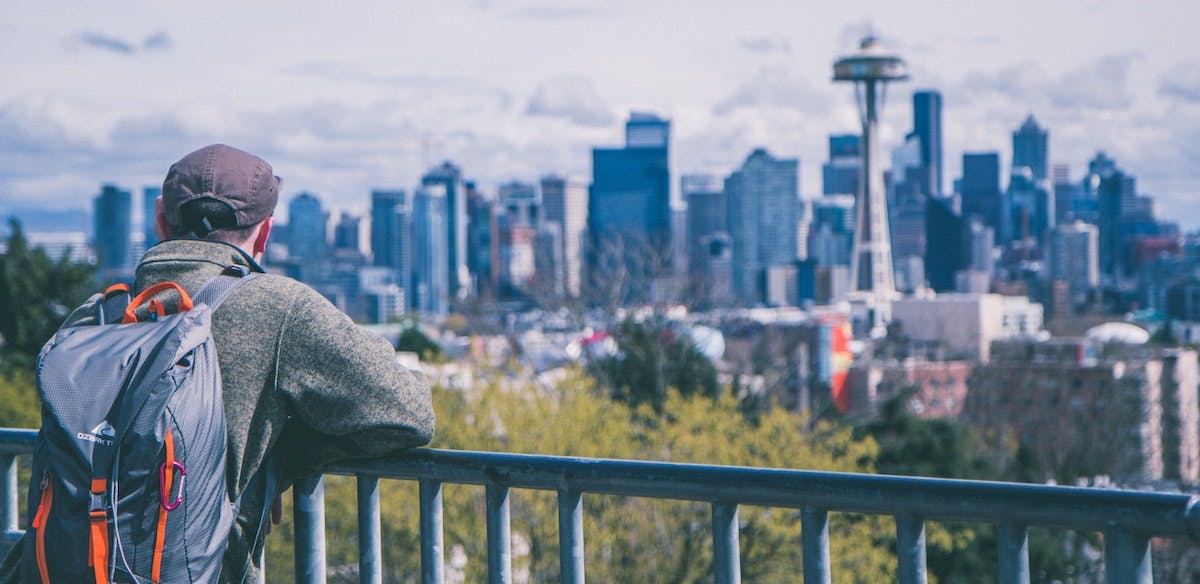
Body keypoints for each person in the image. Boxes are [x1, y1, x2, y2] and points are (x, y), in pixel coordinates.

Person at [0, 143, 435, 583]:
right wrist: (281, 451)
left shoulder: (91, 319)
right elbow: (409, 412)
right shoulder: (278, 309)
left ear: (160, 220)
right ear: (265, 233)